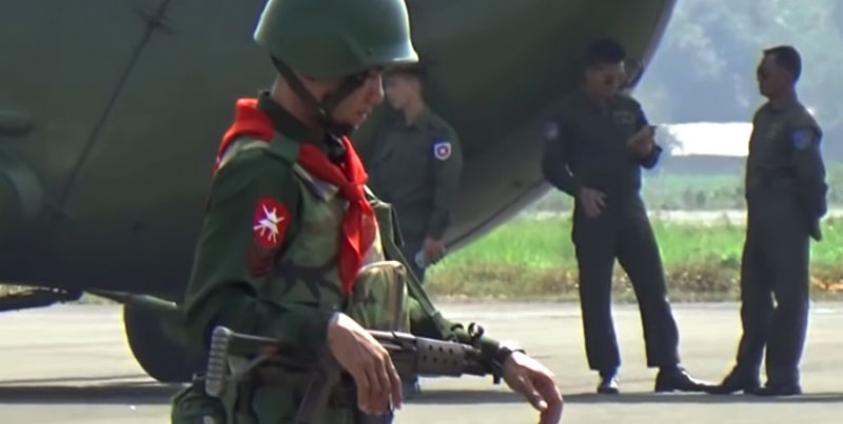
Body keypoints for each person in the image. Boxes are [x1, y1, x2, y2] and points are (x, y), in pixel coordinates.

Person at [171, 0, 563, 423]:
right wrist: (326, 329)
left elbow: (392, 309)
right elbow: (214, 312)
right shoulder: (263, 170)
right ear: (312, 68)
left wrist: (497, 356)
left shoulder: (336, 172)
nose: (377, 95)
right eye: (364, 77)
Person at [541, 38, 709, 395]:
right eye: (607, 78)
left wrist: (646, 150)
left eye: (619, 78)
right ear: (590, 73)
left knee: (653, 287)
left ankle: (668, 365)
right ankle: (607, 369)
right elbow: (551, 166)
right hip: (595, 210)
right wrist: (579, 191)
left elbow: (650, 157)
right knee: (596, 295)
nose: (614, 84)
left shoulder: (629, 109)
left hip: (630, 207)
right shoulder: (566, 114)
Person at [708, 46, 827, 397]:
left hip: (787, 220)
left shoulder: (799, 123)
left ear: (786, 76)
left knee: (789, 300)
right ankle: (747, 370)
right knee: (754, 299)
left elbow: (812, 176)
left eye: (766, 72)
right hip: (760, 219)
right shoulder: (763, 117)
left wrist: (809, 215)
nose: (759, 78)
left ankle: (783, 375)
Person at [367, 64, 463, 281]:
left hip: (413, 236)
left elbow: (445, 187)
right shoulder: (389, 132)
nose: (387, 93)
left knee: (406, 293)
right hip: (382, 233)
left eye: (393, 85)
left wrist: (434, 235)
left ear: (414, 86)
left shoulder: (438, 134)